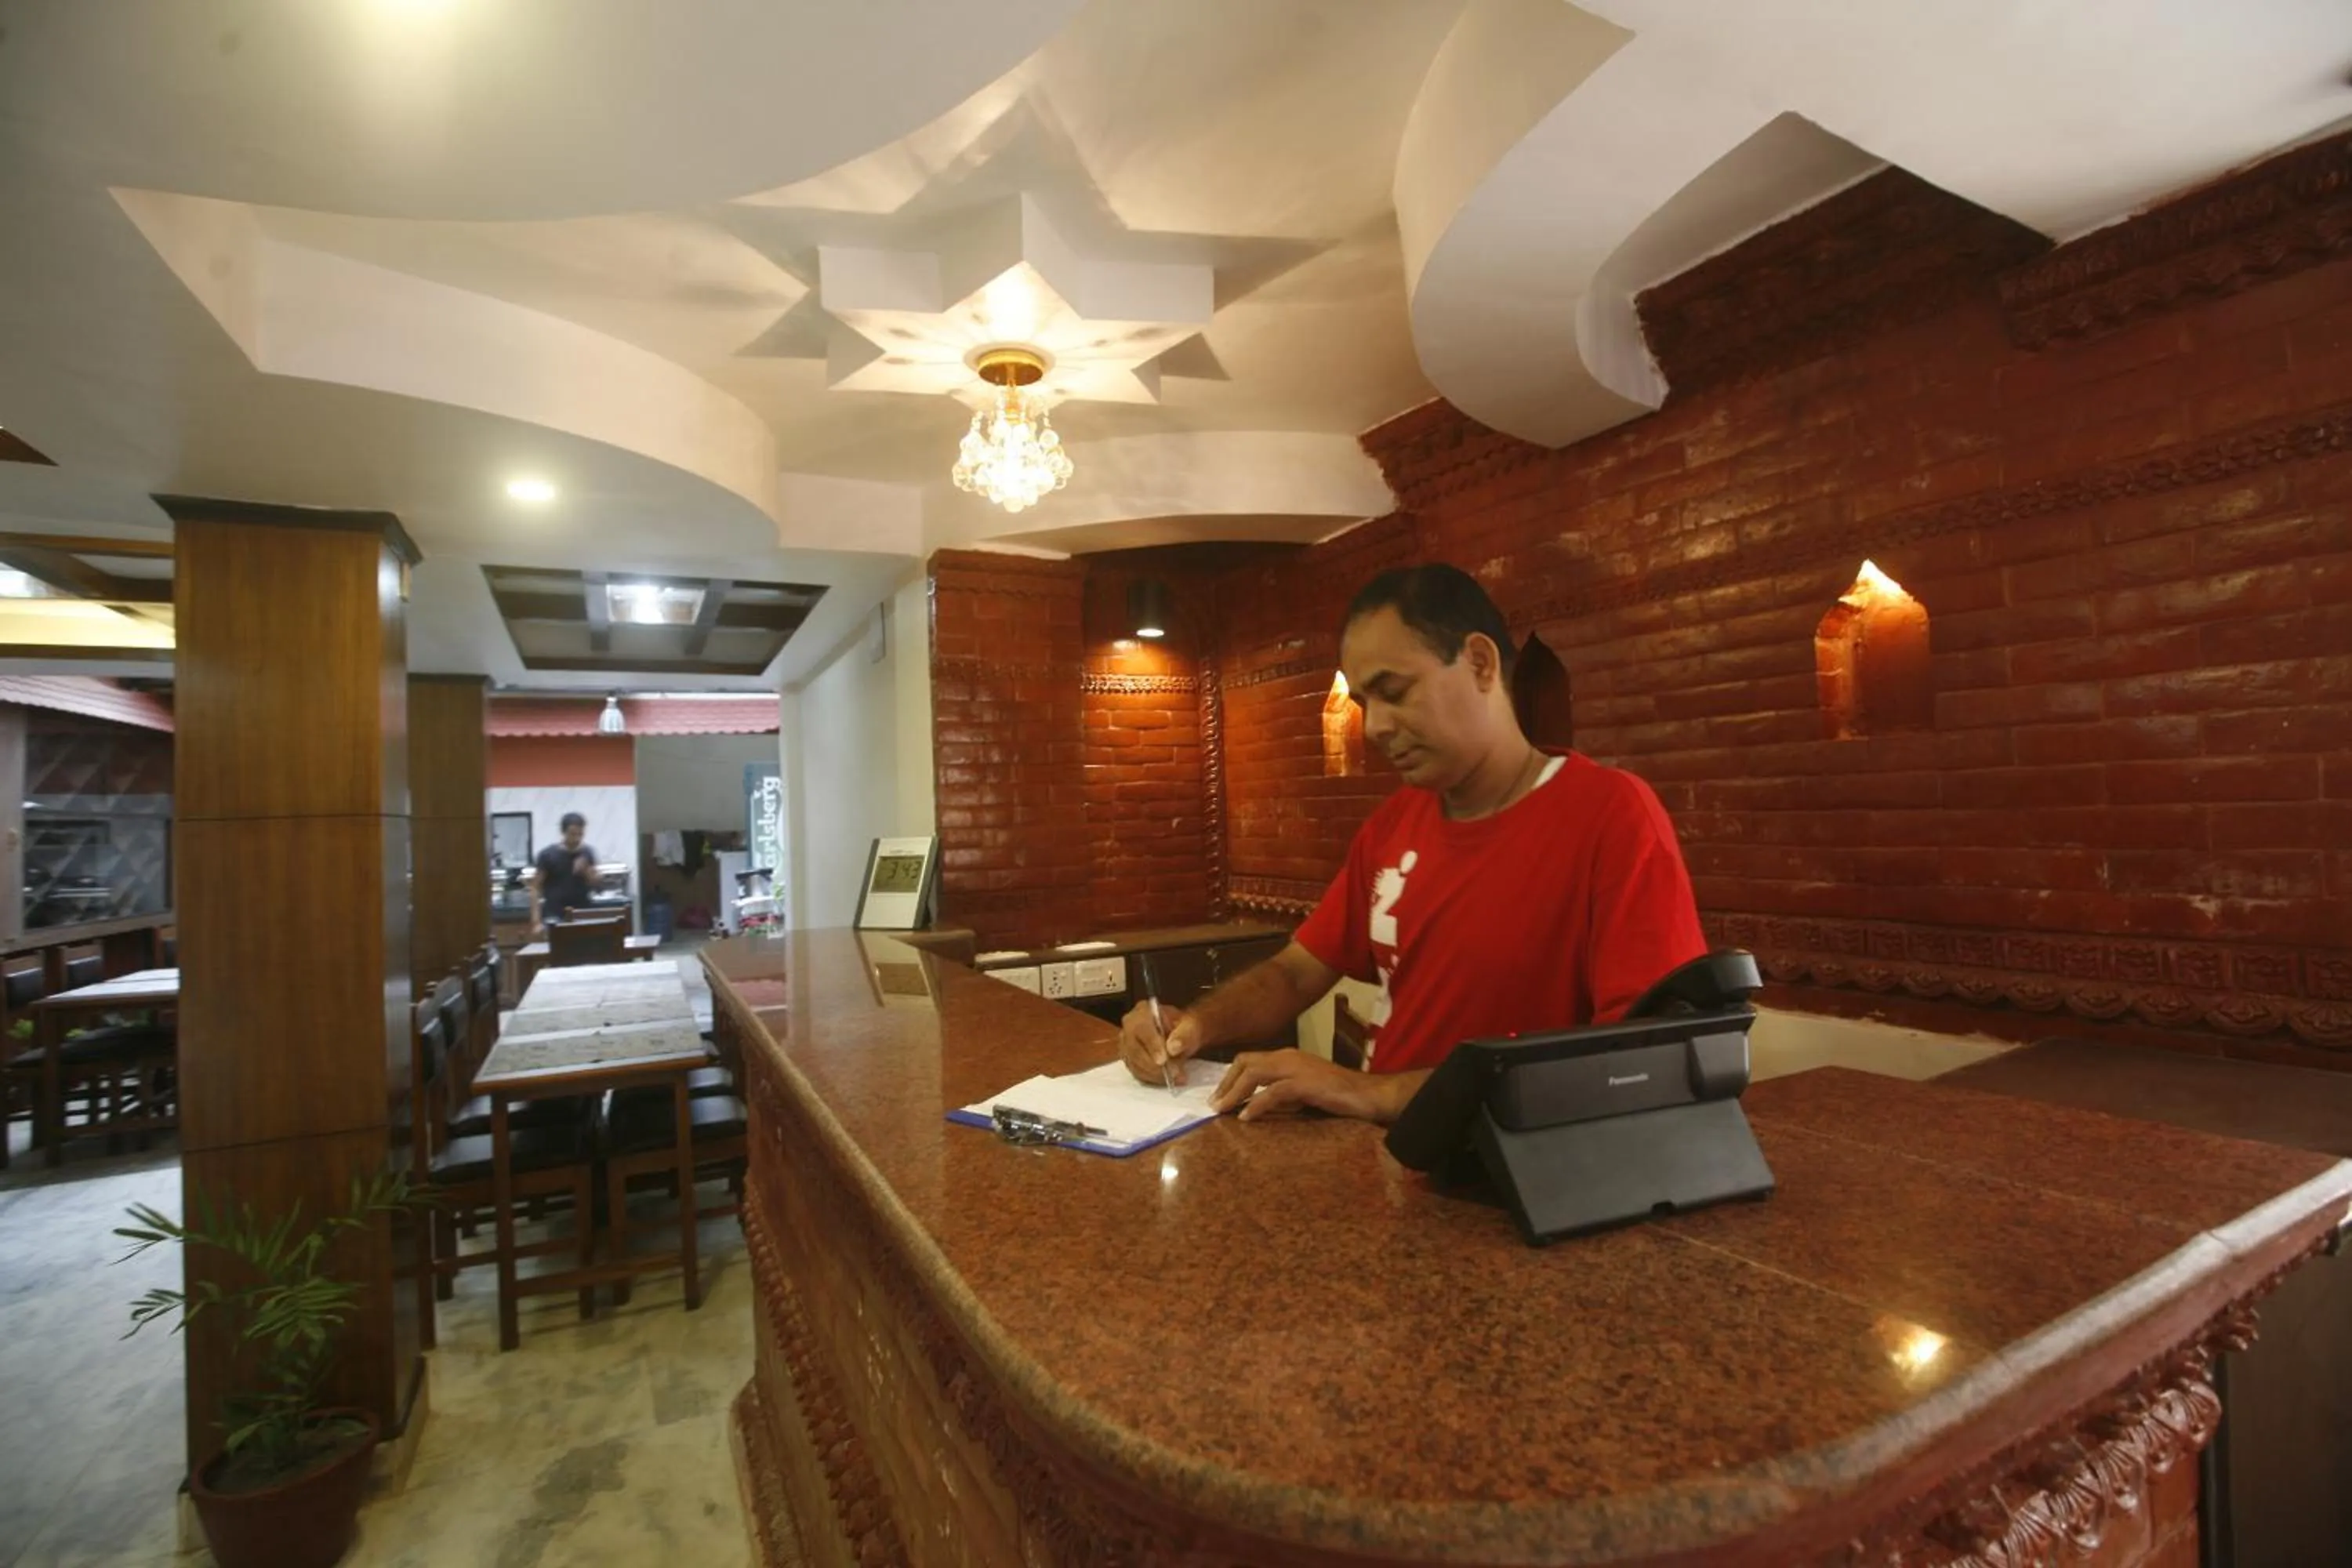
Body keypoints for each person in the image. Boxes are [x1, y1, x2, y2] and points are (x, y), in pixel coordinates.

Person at [1120, 564, 1707, 1124]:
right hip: (1381, 1167)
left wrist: (1368, 1091)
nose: (1374, 727)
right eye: (1364, 703)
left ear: (1479, 663)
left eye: (1394, 692)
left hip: (1502, 1186)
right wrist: (1193, 1026)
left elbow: (1639, 1062)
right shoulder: (1394, 824)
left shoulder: (1610, 816)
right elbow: (1297, 974)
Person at [532, 812, 604, 931]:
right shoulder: (548, 855)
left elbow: (597, 885)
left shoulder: (588, 853)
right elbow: (535, 888)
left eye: (580, 834)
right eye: (573, 834)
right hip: (554, 914)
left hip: (582, 913)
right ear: (563, 832)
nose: (577, 838)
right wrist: (536, 922)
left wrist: (586, 870)